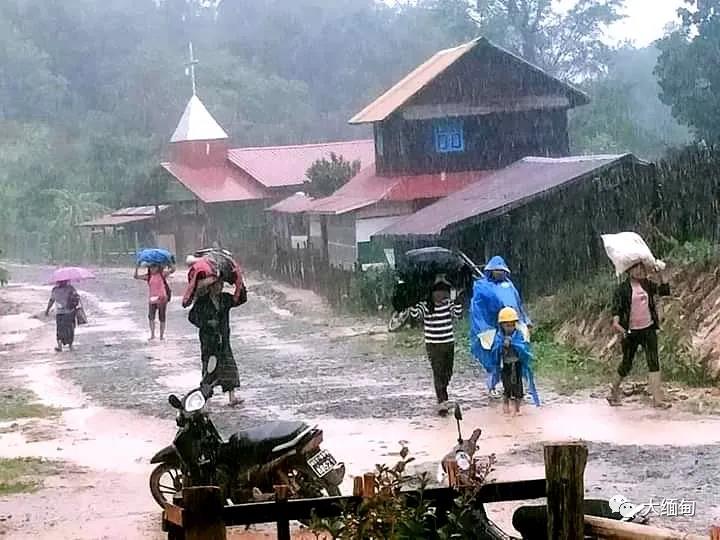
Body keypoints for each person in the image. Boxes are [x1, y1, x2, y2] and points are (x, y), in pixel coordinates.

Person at [608, 262, 671, 409]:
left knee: (653, 362)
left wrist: (660, 274)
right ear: (629, 271)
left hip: (648, 329)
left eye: (642, 268)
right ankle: (613, 391)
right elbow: (616, 315)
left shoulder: (647, 284)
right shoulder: (621, 290)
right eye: (636, 268)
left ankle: (657, 400)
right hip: (630, 332)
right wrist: (620, 328)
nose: (640, 271)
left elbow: (665, 291)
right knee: (626, 364)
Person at [470, 256, 532, 397]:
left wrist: (525, 321)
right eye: (496, 271)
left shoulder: (510, 286)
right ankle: (493, 387)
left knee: (517, 358)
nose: (499, 273)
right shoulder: (483, 287)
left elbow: (518, 305)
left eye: (501, 271)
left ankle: (516, 388)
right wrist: (485, 328)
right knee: (495, 360)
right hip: (493, 329)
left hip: (512, 326)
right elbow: (478, 309)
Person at [409, 276, 463, 416]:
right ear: (432, 293)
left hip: (448, 343)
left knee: (447, 372)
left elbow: (458, 314)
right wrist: (412, 301)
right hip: (433, 345)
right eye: (438, 292)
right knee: (438, 372)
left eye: (444, 292)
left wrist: (456, 300)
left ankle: (442, 393)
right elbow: (416, 316)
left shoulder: (448, 304)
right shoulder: (425, 306)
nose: (440, 295)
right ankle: (442, 400)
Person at [189, 280, 245, 406]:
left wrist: (240, 284)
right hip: (208, 341)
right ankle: (207, 400)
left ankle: (232, 397)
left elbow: (240, 299)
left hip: (223, 339)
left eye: (220, 285)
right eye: (216, 285)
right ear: (210, 287)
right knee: (209, 370)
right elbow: (192, 317)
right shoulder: (202, 301)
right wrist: (206, 323)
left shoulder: (225, 299)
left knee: (228, 367)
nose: (219, 288)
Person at [490, 307, 540, 415]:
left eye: (513, 325)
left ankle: (517, 409)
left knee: (518, 388)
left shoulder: (518, 335)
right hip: (506, 366)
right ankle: (506, 407)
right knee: (507, 388)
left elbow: (523, 348)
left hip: (517, 365)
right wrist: (503, 346)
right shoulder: (499, 337)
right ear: (502, 325)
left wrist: (513, 344)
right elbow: (495, 351)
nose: (510, 328)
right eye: (507, 325)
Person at [134, 263, 175, 341]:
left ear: (158, 267)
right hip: (152, 298)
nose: (153, 269)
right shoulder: (148, 276)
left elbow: (173, 270)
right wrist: (137, 267)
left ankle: (161, 336)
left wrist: (170, 262)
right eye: (151, 267)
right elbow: (136, 277)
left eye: (154, 267)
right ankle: (152, 335)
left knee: (162, 317)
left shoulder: (162, 274)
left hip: (162, 298)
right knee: (151, 317)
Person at [45, 280, 80, 352]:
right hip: (69, 312)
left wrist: (47, 310)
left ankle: (60, 345)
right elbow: (76, 298)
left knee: (60, 329)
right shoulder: (70, 288)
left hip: (59, 312)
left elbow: (51, 300)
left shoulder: (55, 290)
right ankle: (70, 346)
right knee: (70, 329)